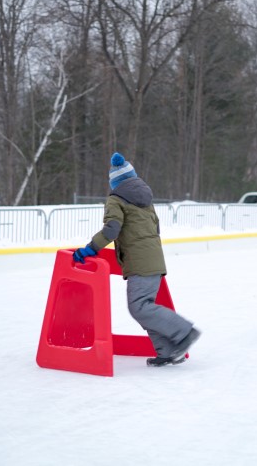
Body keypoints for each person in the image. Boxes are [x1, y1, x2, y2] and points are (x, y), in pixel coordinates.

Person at [72, 152, 200, 367]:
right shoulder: (146, 200)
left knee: (139, 307)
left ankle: (184, 332)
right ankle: (167, 351)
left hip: (140, 263)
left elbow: (112, 229)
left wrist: (90, 249)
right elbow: (155, 228)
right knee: (144, 307)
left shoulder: (115, 199)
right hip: (154, 260)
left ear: (114, 182)